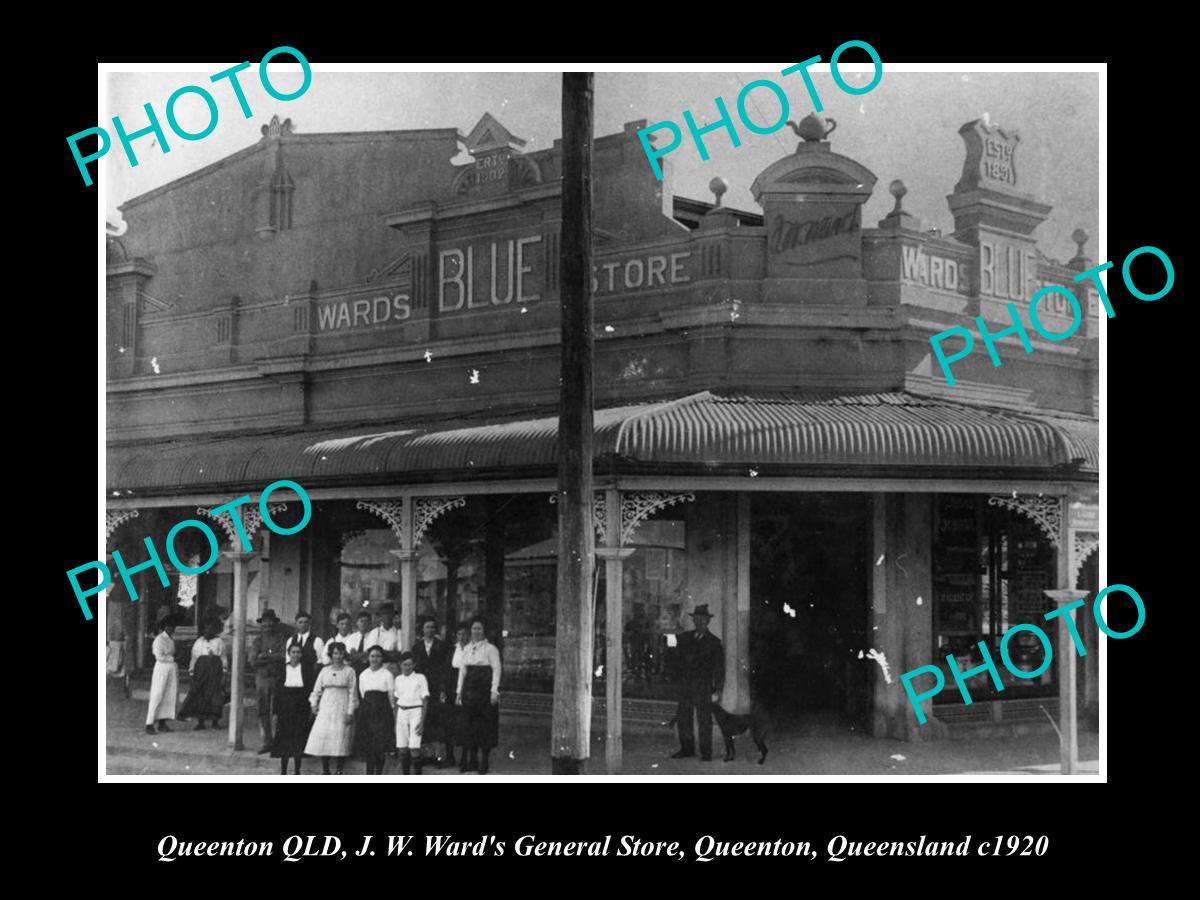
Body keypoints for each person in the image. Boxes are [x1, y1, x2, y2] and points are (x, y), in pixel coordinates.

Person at [670, 604, 725, 762]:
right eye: (697, 619)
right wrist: (677, 682)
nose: (700, 622)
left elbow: (719, 669)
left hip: (704, 688)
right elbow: (677, 662)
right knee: (684, 718)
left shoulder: (714, 642)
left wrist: (718, 690)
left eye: (703, 619)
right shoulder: (685, 638)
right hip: (686, 686)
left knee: (704, 721)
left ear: (708, 621)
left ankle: (706, 753)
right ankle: (687, 750)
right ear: (693, 620)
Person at [455, 617, 501, 775]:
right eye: (474, 629)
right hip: (469, 691)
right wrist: (459, 692)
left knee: (484, 727)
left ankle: (484, 761)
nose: (476, 632)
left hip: (484, 692)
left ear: (484, 631)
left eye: (479, 629)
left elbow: (496, 670)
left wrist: (494, 691)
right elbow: (462, 671)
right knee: (469, 727)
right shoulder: (467, 648)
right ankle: (471, 760)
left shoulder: (491, 649)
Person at [305, 642, 358, 775]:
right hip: (327, 706)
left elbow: (353, 693)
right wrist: (314, 704)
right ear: (331, 655)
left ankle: (339, 770)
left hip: (342, 704)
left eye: (340, 653)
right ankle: (326, 770)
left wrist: (350, 712)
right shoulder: (325, 670)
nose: (338, 656)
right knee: (325, 735)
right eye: (335, 653)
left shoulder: (349, 671)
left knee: (340, 735)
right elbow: (316, 690)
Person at [412, 616, 452, 768]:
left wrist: (443, 688)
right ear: (422, 629)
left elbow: (445, 669)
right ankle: (425, 755)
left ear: (436, 630)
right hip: (422, 688)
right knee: (424, 721)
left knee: (438, 721)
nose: (430, 630)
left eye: (432, 627)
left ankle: (439, 757)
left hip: (436, 688)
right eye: (427, 627)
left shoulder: (442, 646)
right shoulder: (417, 647)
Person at [249, 609, 288, 753]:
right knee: (263, 710)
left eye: (270, 622)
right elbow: (252, 660)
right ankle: (266, 741)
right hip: (262, 678)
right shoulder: (258, 640)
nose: (268, 625)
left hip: (277, 678)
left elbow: (284, 656)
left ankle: (277, 741)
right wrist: (270, 656)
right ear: (262, 624)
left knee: (276, 710)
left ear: (274, 623)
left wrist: (264, 656)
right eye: (265, 623)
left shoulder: (280, 638)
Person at [272, 642, 314, 775]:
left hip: (301, 706)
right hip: (285, 707)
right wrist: (276, 711)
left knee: (298, 738)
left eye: (298, 652)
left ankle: (297, 771)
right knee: (285, 738)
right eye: (293, 652)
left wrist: (310, 708)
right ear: (289, 654)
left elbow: (310, 690)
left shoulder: (306, 669)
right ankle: (283, 771)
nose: (295, 655)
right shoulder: (283, 669)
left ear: (301, 654)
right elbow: (277, 692)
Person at [179, 618, 227, 730]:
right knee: (201, 696)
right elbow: (194, 658)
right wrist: (191, 672)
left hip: (215, 671)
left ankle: (215, 721)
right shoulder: (199, 642)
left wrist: (224, 673)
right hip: (201, 671)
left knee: (215, 696)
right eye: (206, 628)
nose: (208, 630)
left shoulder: (219, 642)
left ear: (215, 629)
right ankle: (201, 722)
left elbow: (223, 658)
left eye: (211, 628)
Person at [355, 646, 395, 775]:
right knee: (369, 746)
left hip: (382, 711)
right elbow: (362, 694)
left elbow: (391, 695)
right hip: (367, 711)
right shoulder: (363, 674)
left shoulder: (387, 674)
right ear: (368, 658)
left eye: (378, 656)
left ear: (382, 658)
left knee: (380, 746)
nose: (375, 659)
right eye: (372, 656)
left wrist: (392, 714)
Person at [394, 651, 430, 775]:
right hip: (401, 713)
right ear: (400, 665)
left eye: (410, 664)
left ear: (414, 665)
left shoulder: (420, 677)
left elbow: (425, 700)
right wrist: (395, 722)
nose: (407, 667)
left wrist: (422, 722)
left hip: (416, 711)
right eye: (405, 664)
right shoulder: (398, 679)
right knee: (402, 748)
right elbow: (396, 700)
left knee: (414, 748)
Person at [145, 616, 180, 734]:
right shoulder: (159, 639)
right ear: (164, 627)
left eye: (172, 626)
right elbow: (159, 656)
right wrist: (172, 658)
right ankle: (149, 723)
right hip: (161, 667)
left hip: (171, 668)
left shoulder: (171, 639)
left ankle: (162, 722)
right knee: (157, 694)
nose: (170, 628)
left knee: (169, 695)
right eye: (168, 626)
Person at [446, 623, 470, 768]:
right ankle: (449, 756)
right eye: (460, 634)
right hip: (451, 686)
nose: (462, 637)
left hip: (466, 686)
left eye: (465, 634)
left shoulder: (471, 650)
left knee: (465, 724)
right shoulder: (452, 649)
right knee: (449, 723)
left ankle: (464, 758)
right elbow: (446, 669)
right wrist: (444, 689)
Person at [288, 611, 325, 686]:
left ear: (309, 624)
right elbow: (287, 659)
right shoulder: (291, 640)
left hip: (310, 678)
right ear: (296, 623)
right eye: (300, 622)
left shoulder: (317, 641)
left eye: (306, 622)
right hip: (293, 677)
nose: (303, 625)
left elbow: (321, 661)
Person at [366, 602, 401, 671]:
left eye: (389, 614)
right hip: (376, 668)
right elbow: (371, 652)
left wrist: (381, 653)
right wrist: (390, 653)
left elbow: (399, 654)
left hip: (393, 668)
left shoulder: (398, 633)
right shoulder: (375, 632)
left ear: (393, 616)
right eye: (384, 614)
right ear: (381, 616)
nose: (387, 616)